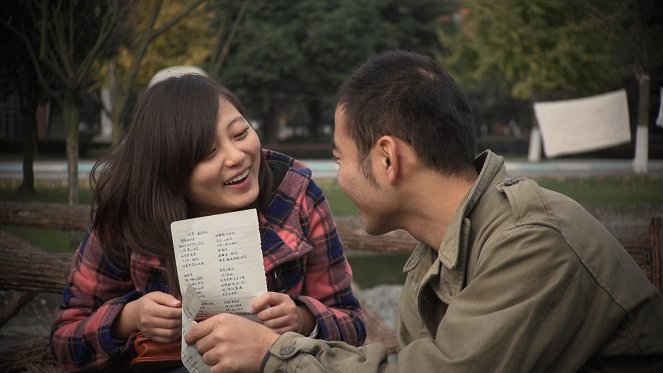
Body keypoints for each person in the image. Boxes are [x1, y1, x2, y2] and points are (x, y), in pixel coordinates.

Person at [183, 50, 663, 372]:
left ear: (388, 159)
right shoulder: (433, 254)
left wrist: (274, 354)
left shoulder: (529, 239)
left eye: (339, 158)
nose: (340, 177)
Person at [50, 74, 366, 372]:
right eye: (207, 153)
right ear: (169, 170)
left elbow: (352, 325)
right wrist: (127, 319)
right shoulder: (127, 212)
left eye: (241, 133)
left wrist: (302, 319)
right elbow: (64, 342)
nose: (236, 156)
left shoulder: (297, 195)